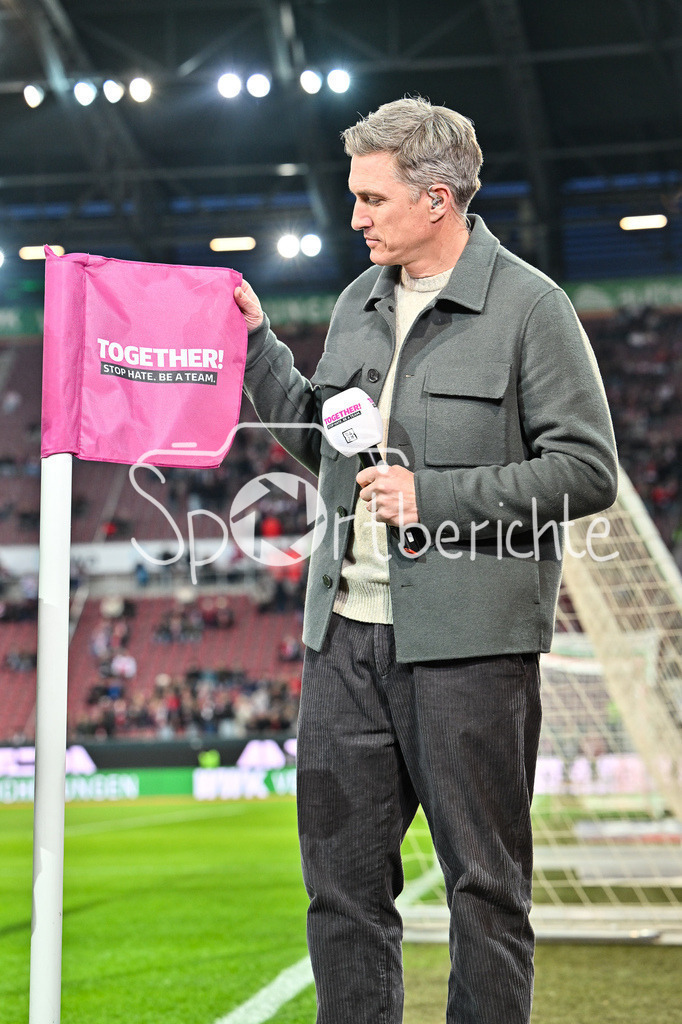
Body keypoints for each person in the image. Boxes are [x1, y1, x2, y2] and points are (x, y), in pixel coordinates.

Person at [233, 97, 618, 1024]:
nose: (355, 216)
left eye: (372, 198)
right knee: (341, 895)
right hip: (343, 648)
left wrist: (433, 495)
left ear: (437, 199)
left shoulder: (533, 307)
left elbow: (587, 470)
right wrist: (256, 343)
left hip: (471, 651)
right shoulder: (357, 302)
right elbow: (324, 439)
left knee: (484, 892)